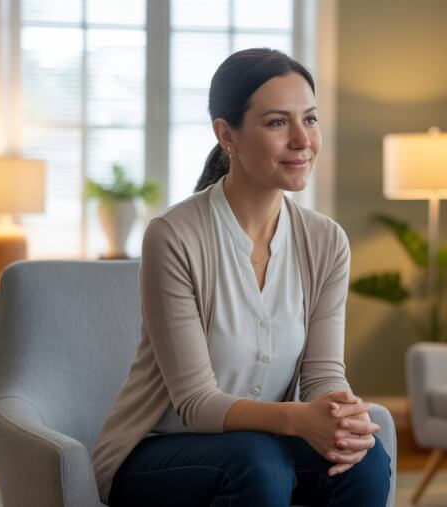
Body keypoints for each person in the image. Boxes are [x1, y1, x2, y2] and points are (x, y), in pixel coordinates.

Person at [92, 48, 391, 507]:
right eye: (277, 123)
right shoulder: (174, 236)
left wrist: (339, 416)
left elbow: (324, 374)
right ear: (226, 134)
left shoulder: (326, 241)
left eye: (309, 119)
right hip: (158, 452)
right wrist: (298, 420)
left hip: (261, 450)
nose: (301, 140)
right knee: (259, 459)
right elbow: (194, 402)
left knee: (362, 460)